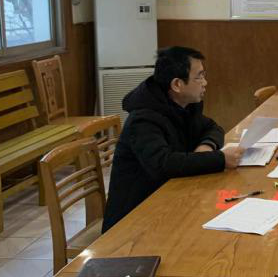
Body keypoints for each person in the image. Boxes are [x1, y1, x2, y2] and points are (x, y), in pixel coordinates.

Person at [103, 46, 243, 232]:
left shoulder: (184, 105)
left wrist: (206, 147)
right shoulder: (143, 119)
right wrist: (220, 159)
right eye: (199, 77)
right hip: (133, 221)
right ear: (177, 84)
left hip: (170, 200)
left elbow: (213, 128)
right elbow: (163, 164)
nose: (205, 83)